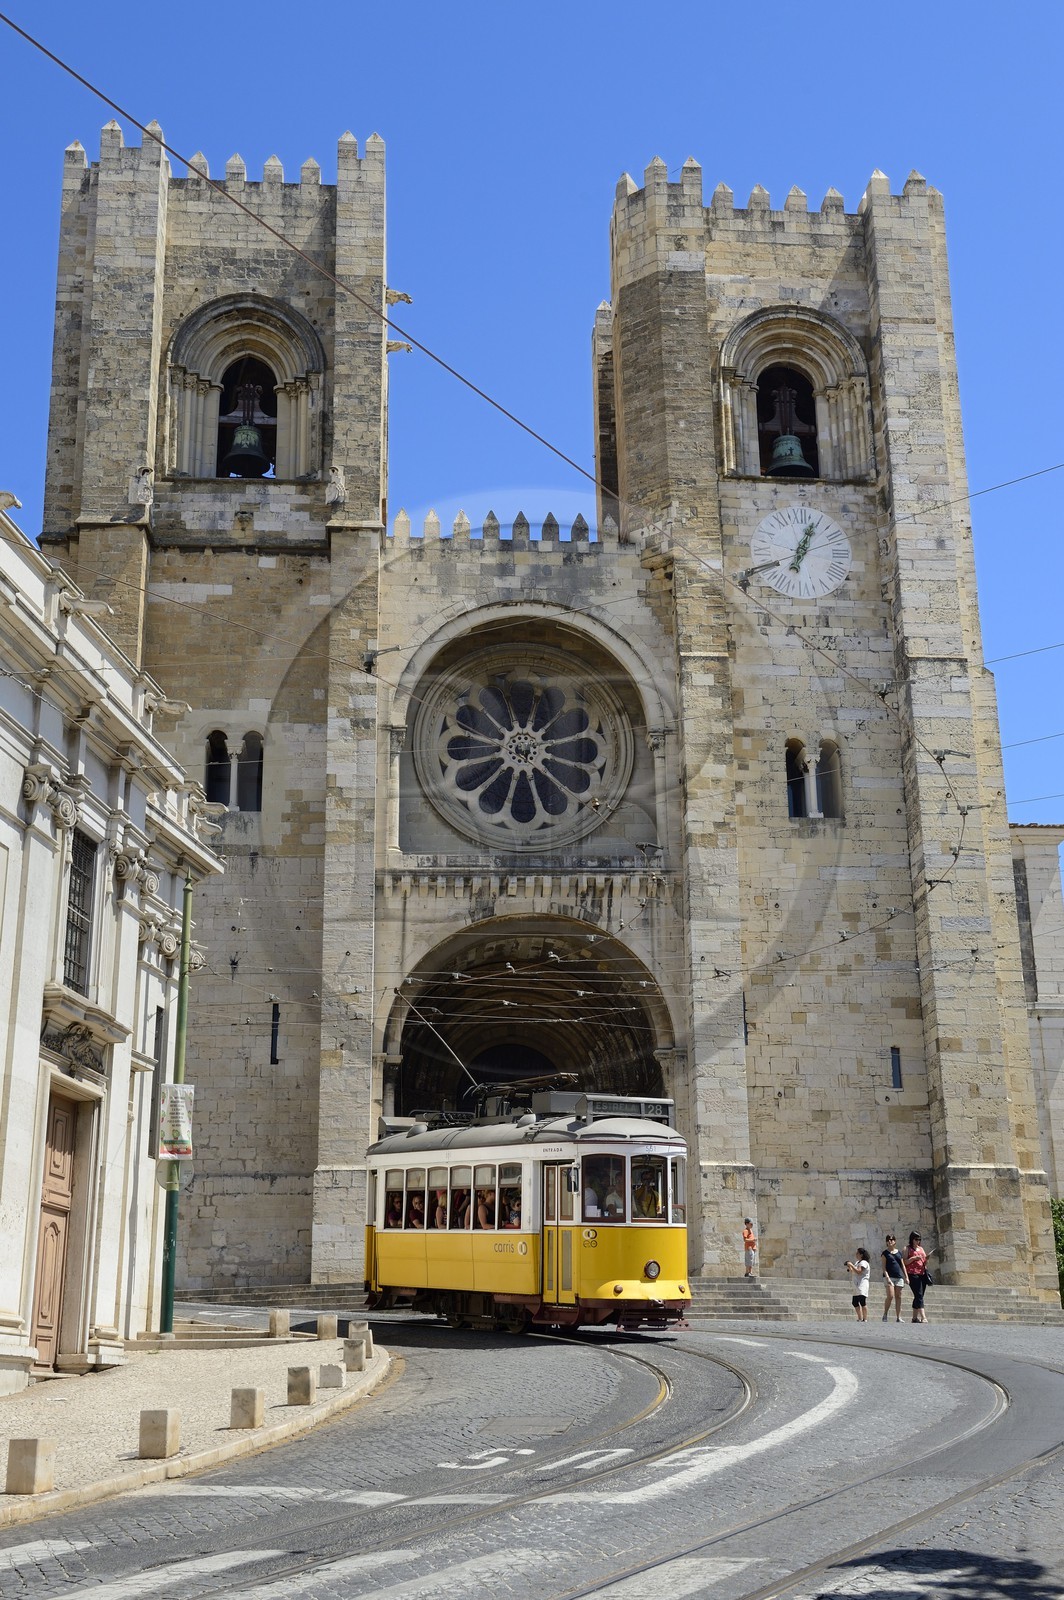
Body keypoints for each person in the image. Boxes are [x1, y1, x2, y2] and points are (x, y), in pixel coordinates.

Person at [905, 1232, 932, 1323]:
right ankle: (923, 1317)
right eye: (916, 1239)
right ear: (912, 1239)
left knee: (919, 1295)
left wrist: (927, 1259)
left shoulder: (921, 1249)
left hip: (922, 1273)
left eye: (919, 1239)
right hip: (912, 1274)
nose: (918, 1241)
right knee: (919, 1295)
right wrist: (913, 1258)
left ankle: (914, 1318)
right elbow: (904, 1262)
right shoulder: (907, 1249)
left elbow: (924, 1262)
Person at [881, 1233, 908, 1321]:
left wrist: (906, 1277)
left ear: (895, 1241)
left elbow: (902, 1265)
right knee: (891, 1296)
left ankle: (898, 1317)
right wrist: (887, 1277)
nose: (890, 1241)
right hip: (889, 1277)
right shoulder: (885, 1253)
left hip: (899, 1277)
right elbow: (884, 1267)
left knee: (899, 1296)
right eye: (888, 1240)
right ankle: (885, 1314)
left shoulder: (899, 1253)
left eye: (892, 1239)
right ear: (886, 1242)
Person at [845, 1247, 871, 1321]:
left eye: (857, 1253)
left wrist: (851, 1265)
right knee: (855, 1302)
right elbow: (853, 1270)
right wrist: (849, 1266)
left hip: (862, 1284)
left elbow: (859, 1271)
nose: (856, 1254)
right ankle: (859, 1317)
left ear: (861, 1255)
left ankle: (865, 1318)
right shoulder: (857, 1262)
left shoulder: (864, 1262)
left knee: (862, 1301)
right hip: (856, 1284)